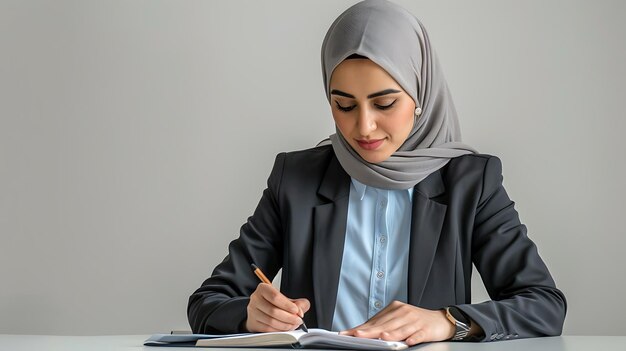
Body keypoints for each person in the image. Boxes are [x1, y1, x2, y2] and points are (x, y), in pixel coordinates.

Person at [187, 0, 566, 345]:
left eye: (384, 102)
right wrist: (250, 315)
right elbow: (207, 302)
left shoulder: (471, 182)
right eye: (344, 105)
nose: (364, 127)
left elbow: (543, 304)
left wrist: (448, 322)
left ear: (420, 93)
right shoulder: (296, 178)